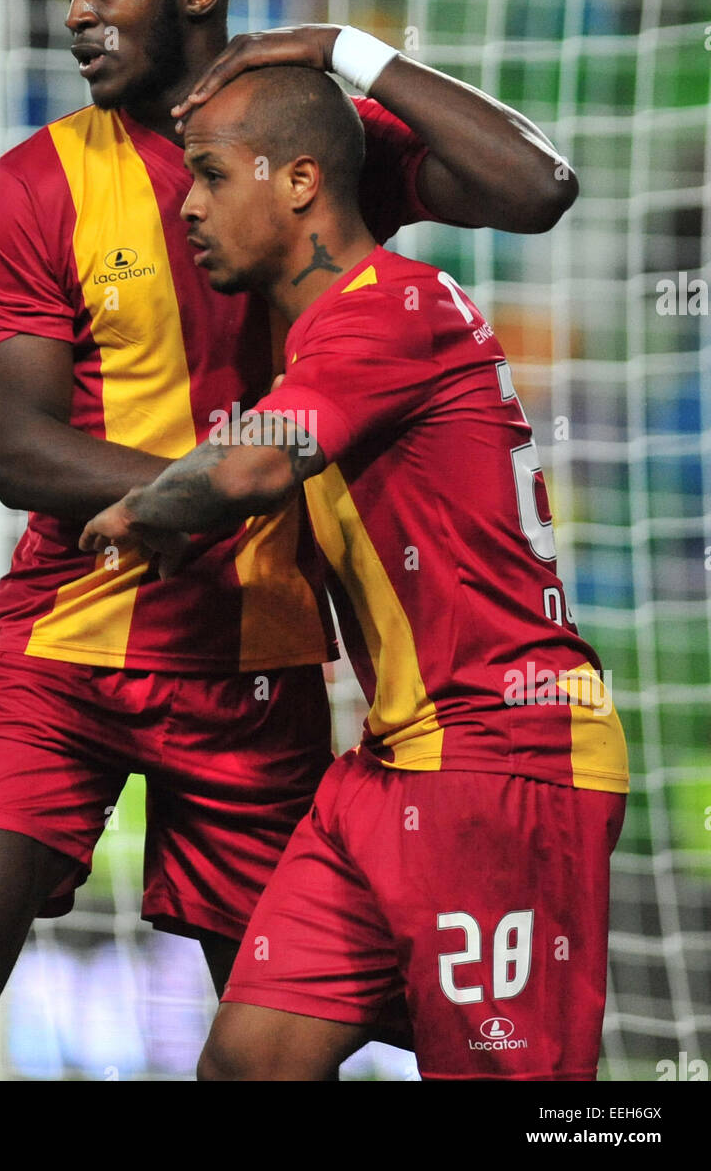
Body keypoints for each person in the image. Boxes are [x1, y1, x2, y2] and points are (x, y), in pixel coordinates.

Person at [0, 0, 577, 1081]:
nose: (77, 16)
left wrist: (346, 52)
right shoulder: (36, 183)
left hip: (257, 668)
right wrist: (220, 490)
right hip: (68, 635)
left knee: (263, 1048)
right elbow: (15, 449)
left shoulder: (306, 149)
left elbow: (535, 187)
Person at [80, 64, 628, 1082]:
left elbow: (246, 465)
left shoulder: (390, 306)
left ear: (296, 182)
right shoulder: (337, 332)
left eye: (207, 176)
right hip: (389, 767)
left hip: (500, 759)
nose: (188, 205)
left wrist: (132, 513)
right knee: (247, 1062)